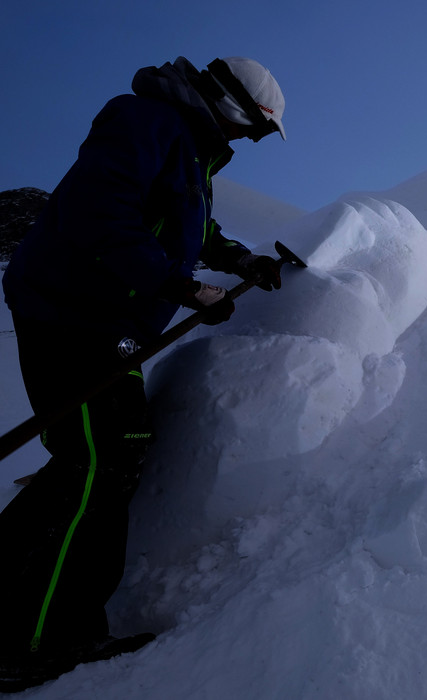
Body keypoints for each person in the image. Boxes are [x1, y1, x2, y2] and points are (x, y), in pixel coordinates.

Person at [0, 55, 287, 691]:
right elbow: (100, 215)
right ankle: (27, 639)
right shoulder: (146, 121)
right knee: (100, 461)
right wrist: (183, 290)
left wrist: (240, 259)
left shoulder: (191, 150)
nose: (248, 139)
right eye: (254, 127)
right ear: (232, 105)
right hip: (70, 314)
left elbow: (192, 228)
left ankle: (41, 615)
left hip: (107, 330)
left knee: (99, 458)